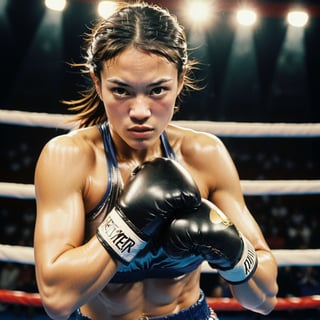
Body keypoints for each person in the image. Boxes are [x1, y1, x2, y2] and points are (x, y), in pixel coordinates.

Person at [33, 1, 278, 319]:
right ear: (98, 83)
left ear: (180, 79)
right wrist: (129, 223)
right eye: (121, 91)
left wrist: (231, 248)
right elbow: (57, 298)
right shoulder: (70, 158)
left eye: (157, 90)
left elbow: (264, 298)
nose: (139, 111)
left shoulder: (204, 155)